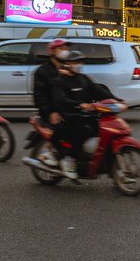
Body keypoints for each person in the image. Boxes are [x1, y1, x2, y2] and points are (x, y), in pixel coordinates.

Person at [49, 51, 114, 180]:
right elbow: (61, 100)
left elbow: (100, 92)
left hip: (85, 115)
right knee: (85, 131)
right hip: (68, 116)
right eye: (75, 62)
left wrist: (118, 101)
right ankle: (69, 159)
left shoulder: (83, 78)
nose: (78, 65)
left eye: (80, 62)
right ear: (67, 64)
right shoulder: (60, 81)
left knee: (105, 130)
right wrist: (80, 104)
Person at [32, 38, 73, 166]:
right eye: (61, 49)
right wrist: (51, 111)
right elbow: (39, 96)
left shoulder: (69, 69)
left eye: (66, 49)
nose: (65, 51)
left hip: (68, 107)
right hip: (52, 111)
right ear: (52, 52)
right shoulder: (43, 71)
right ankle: (49, 152)